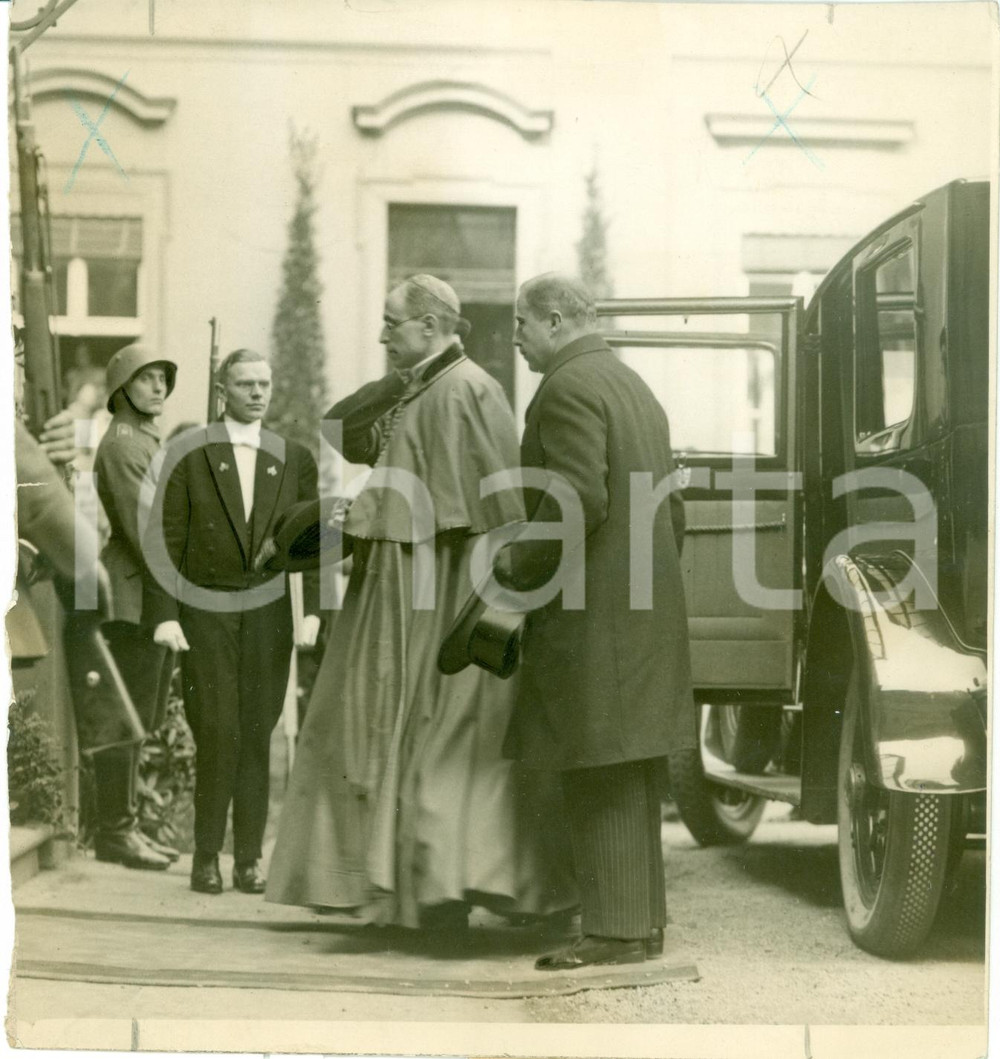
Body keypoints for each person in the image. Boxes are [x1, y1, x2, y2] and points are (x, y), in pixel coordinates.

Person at [266, 275, 577, 929]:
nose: (381, 335)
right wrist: (402, 371)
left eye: (391, 324)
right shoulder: (423, 386)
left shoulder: (473, 390)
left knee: (444, 742)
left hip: (447, 591)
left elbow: (501, 508)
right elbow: (342, 427)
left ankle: (438, 896)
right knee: (376, 730)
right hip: (397, 588)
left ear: (432, 326)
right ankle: (403, 895)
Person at [494, 273, 697, 971]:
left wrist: (518, 564)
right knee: (631, 767)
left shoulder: (568, 387)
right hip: (636, 610)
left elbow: (577, 495)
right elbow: (673, 513)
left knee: (594, 762)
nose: (515, 339)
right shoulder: (632, 384)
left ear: (554, 320)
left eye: (521, 324)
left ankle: (613, 933)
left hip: (592, 616)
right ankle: (638, 926)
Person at [144, 349, 321, 894]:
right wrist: (165, 616)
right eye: (245, 384)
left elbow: (308, 541)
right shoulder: (189, 455)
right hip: (206, 613)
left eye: (264, 383)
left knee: (256, 736)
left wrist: (311, 609)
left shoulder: (294, 458)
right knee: (217, 731)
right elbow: (165, 538)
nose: (257, 393)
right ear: (223, 390)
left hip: (268, 617)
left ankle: (247, 861)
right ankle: (205, 856)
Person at [89, 344, 181, 870]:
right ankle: (115, 831)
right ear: (121, 388)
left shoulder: (147, 439)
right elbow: (145, 529)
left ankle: (128, 826)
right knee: (125, 717)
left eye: (162, 379)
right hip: (133, 594)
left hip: (148, 591)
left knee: (140, 716)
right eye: (146, 379)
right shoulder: (124, 445)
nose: (158, 387)